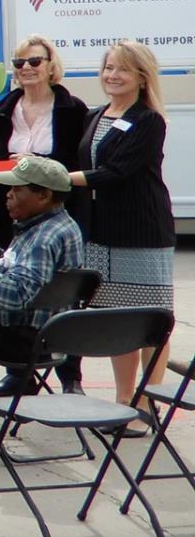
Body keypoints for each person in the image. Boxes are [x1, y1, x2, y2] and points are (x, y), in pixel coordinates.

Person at [66, 41, 174, 411]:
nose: (112, 75)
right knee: (118, 320)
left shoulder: (148, 119)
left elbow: (117, 172)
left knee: (149, 322)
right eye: (108, 67)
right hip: (101, 232)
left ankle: (147, 404)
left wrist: (60, 179)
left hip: (141, 232)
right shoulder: (96, 115)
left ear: (142, 77)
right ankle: (123, 398)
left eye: (122, 69)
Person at [0, 155, 87, 397]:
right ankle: (20, 382)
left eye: (17, 190)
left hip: (21, 339)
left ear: (44, 196)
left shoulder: (43, 238)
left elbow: (15, 295)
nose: (8, 195)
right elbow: (23, 273)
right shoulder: (56, 224)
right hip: (48, 335)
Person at [0, 34, 89, 246]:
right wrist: (8, 164)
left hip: (56, 215)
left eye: (34, 61)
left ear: (51, 66)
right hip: (4, 214)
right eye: (19, 62)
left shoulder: (73, 110)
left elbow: (80, 164)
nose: (26, 67)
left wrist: (34, 162)